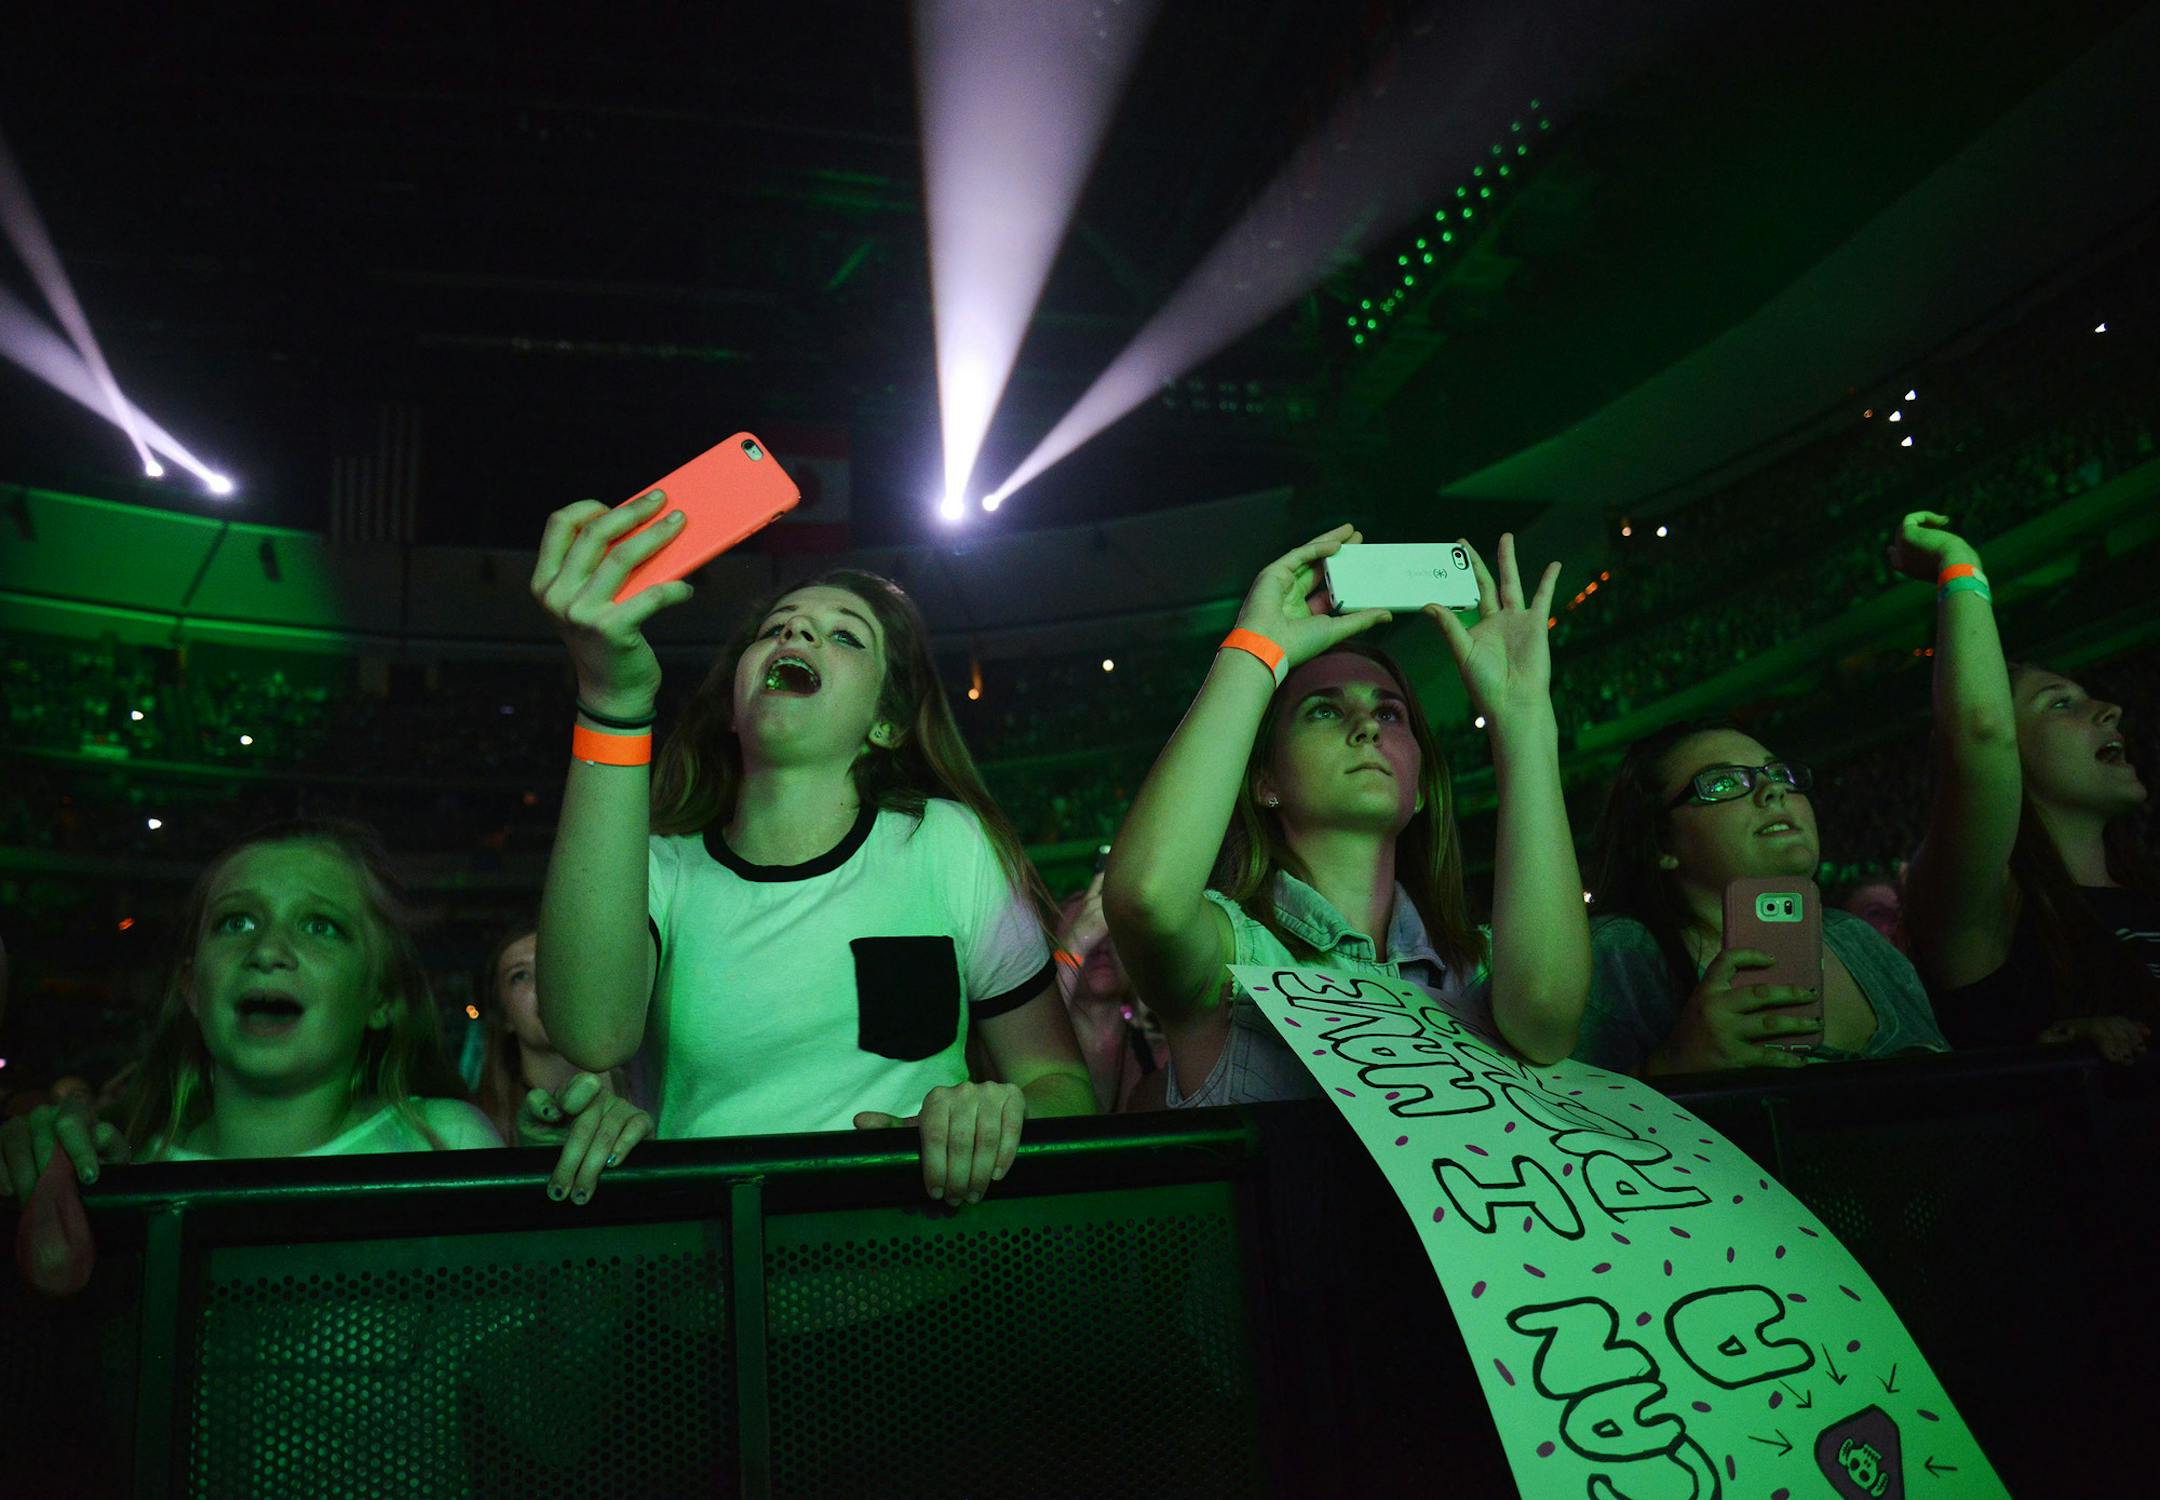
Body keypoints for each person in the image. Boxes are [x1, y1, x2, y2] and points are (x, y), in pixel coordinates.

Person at [528, 491, 1093, 1206]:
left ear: (885, 723)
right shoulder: (662, 872)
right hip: (714, 1288)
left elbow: (1063, 1086)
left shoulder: (948, 845)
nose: (795, 637)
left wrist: (1000, 1113)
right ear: (732, 712)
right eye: (777, 629)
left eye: (845, 636)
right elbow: (590, 1036)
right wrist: (611, 697)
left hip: (924, 1291)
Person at [1103, 526, 1590, 1106]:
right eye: (1323, 712)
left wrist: (1523, 718)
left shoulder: (1484, 966)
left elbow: (1545, 1018)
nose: (1365, 728)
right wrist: (1257, 649)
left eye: (1390, 715)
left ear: (1421, 791)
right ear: (1266, 782)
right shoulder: (1232, 961)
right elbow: (1147, 898)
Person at [1, 822, 646, 1209]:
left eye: (320, 925)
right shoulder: (126, 1177)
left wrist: (575, 1214)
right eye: (237, 921)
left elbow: (538, 1411)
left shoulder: (445, 1145)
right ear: (192, 988)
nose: (268, 950)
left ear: (381, 998)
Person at [1891, 510, 2156, 1061]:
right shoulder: (1986, 907)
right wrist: (1957, 563)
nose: (2109, 711)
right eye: (2061, 703)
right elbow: (1979, 734)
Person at [1577, 723, 1949, 1076]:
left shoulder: (1857, 939)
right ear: (1660, 842)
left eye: (1779, 773)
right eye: (1723, 782)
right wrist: (1670, 1069)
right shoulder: (1620, 954)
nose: (1773, 789)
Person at [474, 920, 650, 1187]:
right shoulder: (478, 1125)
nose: (545, 983)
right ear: (503, 1016)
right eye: (520, 975)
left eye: (557, 964)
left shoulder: (650, 1089)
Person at [1052, 872, 1168, 1112]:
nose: (1101, 943)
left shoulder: (1162, 1053)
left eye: (1111, 933)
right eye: (1085, 928)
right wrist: (1075, 944)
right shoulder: (1021, 1047)